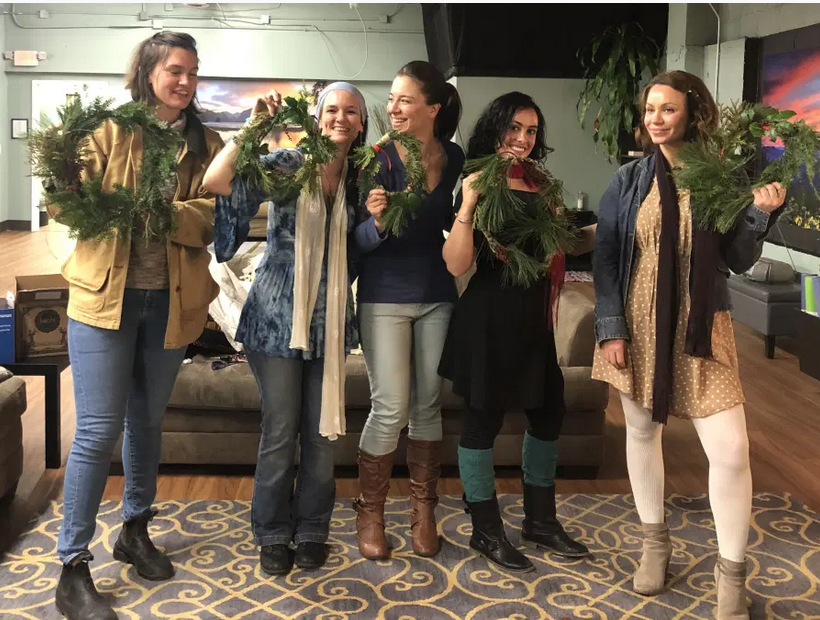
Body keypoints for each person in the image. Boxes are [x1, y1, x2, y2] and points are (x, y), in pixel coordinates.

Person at [591, 70, 786, 619]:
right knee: (640, 431)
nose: (654, 118)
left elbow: (735, 259)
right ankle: (654, 543)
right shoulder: (627, 181)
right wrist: (611, 330)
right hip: (635, 321)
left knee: (730, 451)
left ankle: (732, 576)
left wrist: (759, 215)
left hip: (703, 324)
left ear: (692, 113)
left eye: (667, 109)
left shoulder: (718, 178)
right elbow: (605, 259)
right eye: (649, 108)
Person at [47, 32, 224, 620]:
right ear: (149, 71)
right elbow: (68, 206)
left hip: (169, 303)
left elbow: (213, 219)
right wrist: (67, 187)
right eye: (176, 70)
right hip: (105, 299)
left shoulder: (206, 143)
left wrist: (162, 212)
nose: (186, 82)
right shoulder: (106, 130)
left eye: (193, 73)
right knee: (97, 430)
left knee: (147, 424)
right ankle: (72, 567)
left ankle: (135, 530)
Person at [202, 82, 366, 575]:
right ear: (317, 119)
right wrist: (253, 127)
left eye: (351, 111)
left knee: (322, 435)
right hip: (275, 317)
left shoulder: (362, 179)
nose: (341, 117)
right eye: (332, 110)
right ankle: (272, 532)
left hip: (329, 321)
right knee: (280, 431)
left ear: (361, 122)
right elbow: (218, 181)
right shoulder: (289, 166)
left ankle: (313, 527)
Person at [439, 92, 594, 572]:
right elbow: (457, 263)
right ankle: (485, 530)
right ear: (496, 128)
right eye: (514, 128)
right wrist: (467, 205)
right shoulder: (476, 180)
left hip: (532, 319)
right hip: (487, 316)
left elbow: (560, 244)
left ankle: (540, 522)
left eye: (531, 131)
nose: (523, 139)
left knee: (549, 412)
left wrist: (603, 231)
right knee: (482, 424)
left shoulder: (541, 183)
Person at [353, 61, 464, 560]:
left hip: (438, 292)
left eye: (405, 100)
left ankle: (424, 510)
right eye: (392, 99)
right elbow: (354, 241)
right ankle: (371, 512)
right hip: (383, 294)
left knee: (427, 406)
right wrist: (375, 222)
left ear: (433, 108)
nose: (393, 108)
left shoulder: (455, 157)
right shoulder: (374, 159)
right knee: (392, 406)